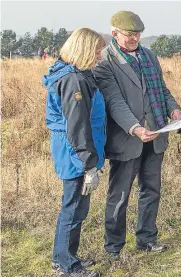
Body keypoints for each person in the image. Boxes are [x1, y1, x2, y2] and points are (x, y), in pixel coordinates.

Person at [93, 10, 181, 259]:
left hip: (156, 137)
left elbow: (161, 90)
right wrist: (135, 128)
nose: (135, 39)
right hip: (127, 139)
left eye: (138, 34)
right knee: (119, 196)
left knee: (151, 190)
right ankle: (114, 249)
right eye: (130, 35)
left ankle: (146, 239)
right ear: (114, 33)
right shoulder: (104, 62)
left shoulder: (150, 56)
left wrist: (173, 109)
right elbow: (114, 101)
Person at [42, 28, 106, 277]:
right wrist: (89, 165)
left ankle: (65, 257)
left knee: (76, 206)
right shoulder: (73, 81)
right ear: (86, 50)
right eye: (98, 50)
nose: (100, 55)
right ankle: (66, 265)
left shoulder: (78, 74)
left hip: (75, 151)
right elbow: (78, 126)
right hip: (75, 154)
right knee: (73, 207)